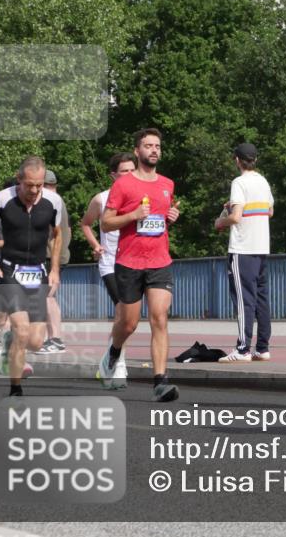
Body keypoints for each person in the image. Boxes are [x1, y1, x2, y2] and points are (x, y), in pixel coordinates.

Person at [99, 128, 181, 402]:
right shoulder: (123, 185)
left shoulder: (167, 184)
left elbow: (158, 223)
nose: (154, 150)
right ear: (137, 151)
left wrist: (170, 218)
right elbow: (106, 222)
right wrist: (133, 215)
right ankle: (113, 351)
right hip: (129, 262)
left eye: (157, 145)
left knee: (159, 318)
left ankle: (160, 381)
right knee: (129, 323)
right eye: (148, 145)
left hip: (159, 260)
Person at [0, 157, 64, 396]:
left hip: (38, 272)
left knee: (36, 341)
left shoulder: (53, 201)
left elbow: (57, 236)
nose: (35, 190)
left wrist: (55, 268)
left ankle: (10, 342)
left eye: (39, 185)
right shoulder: (2, 199)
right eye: (30, 185)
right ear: (19, 180)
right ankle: (15, 389)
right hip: (9, 271)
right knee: (21, 327)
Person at [215, 143, 275, 363]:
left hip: (243, 249)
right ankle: (263, 347)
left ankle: (242, 349)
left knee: (243, 300)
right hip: (261, 247)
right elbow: (269, 210)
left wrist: (220, 221)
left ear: (237, 160)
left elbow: (236, 217)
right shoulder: (263, 181)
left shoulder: (238, 182)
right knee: (261, 299)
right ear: (255, 160)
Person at [79, 152, 137, 376]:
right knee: (122, 310)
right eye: (125, 171)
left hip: (134, 262)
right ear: (114, 175)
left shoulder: (143, 198)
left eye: (133, 170)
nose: (130, 175)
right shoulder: (101, 199)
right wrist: (95, 245)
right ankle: (118, 361)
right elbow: (85, 224)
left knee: (127, 317)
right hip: (110, 263)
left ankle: (110, 357)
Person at [36, 170, 70, 354]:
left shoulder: (49, 201)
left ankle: (55, 339)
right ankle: (49, 338)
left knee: (47, 297)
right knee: (47, 297)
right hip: (59, 254)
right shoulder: (59, 200)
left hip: (51, 256)